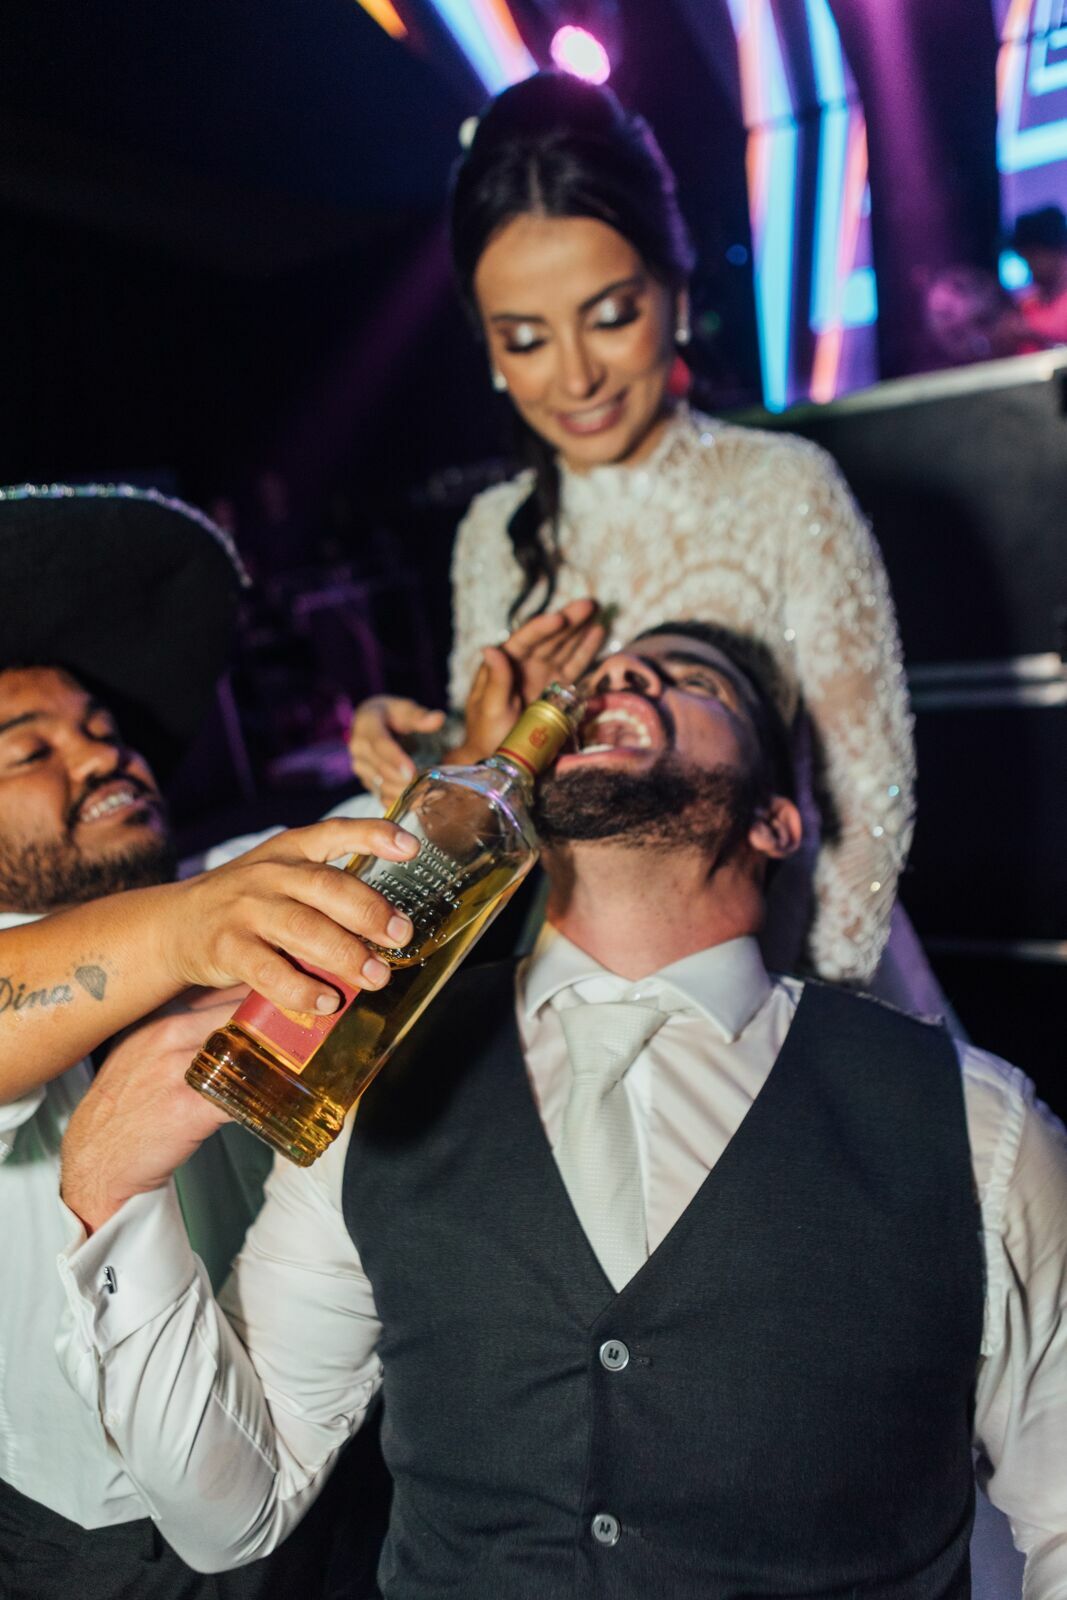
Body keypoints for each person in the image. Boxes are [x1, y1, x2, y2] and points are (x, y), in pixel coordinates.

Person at [57, 620, 1067, 1596]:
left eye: (689, 681)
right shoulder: (372, 1080)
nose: (623, 679)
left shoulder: (975, 1125)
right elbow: (229, 1509)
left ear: (773, 819)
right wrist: (113, 1194)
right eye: (609, 677)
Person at [349, 70, 917, 991]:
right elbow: (486, 817)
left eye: (610, 316)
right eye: (525, 338)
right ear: (488, 347)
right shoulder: (492, 534)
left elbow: (865, 812)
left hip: (784, 966)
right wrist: (425, 755)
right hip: (573, 976)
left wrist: (801, 1030)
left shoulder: (783, 488)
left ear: (675, 296)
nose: (575, 377)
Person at [0, 483, 416, 1600]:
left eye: (103, 730)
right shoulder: (194, 909)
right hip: (109, 1553)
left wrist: (458, 760)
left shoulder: (223, 876)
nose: (101, 758)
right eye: (22, 750)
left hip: (347, 1466)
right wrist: (198, 921)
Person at [1011, 204, 1067, 346]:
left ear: (1058, 249)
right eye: (1025, 259)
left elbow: (1060, 327)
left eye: (1033, 255)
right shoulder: (1034, 300)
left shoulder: (1032, 307)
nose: (1029, 266)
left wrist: (1025, 325)